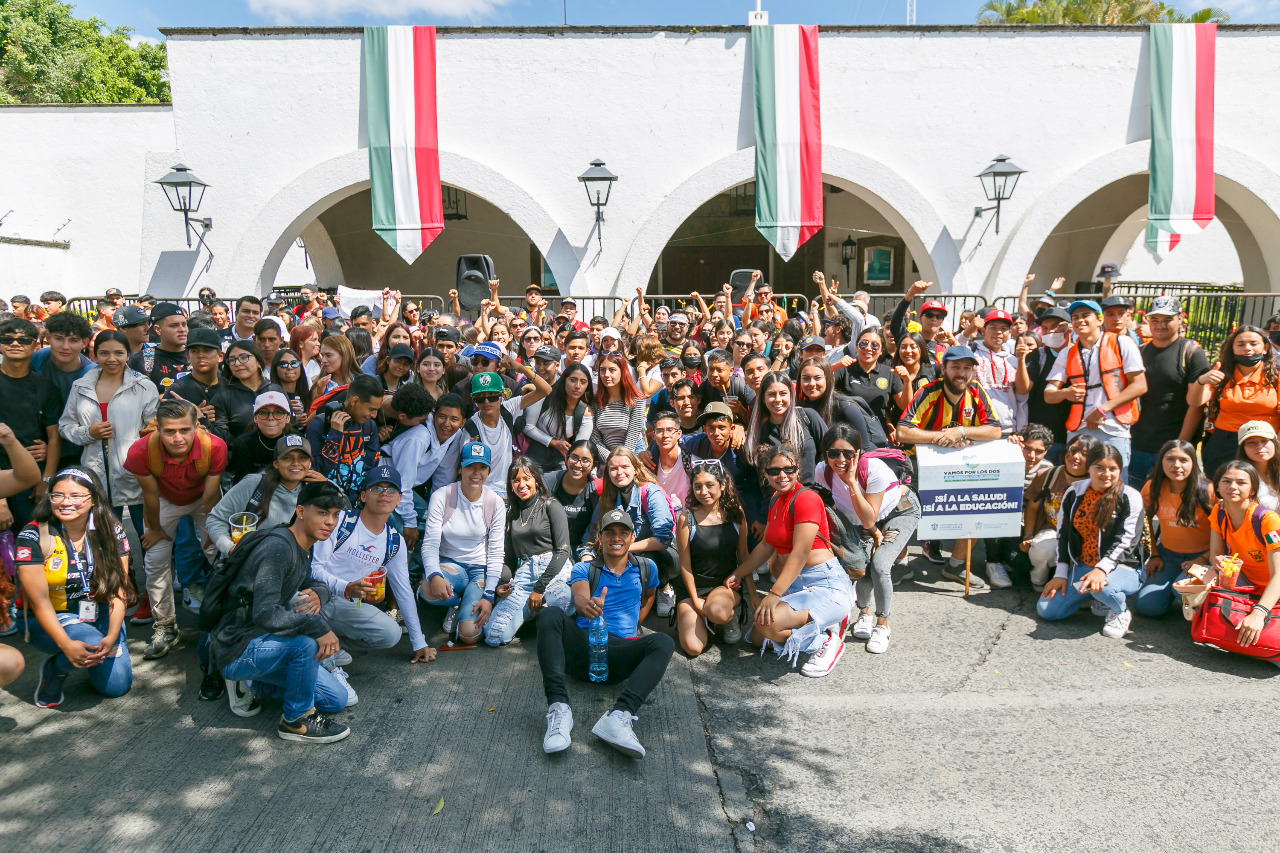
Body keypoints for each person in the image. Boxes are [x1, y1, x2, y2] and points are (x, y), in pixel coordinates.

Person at [211, 479, 353, 743]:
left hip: (264, 643)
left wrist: (321, 593)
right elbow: (265, 614)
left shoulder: (302, 544)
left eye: (335, 515)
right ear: (300, 511)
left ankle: (255, 682)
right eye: (322, 513)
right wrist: (317, 627)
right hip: (238, 646)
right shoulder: (278, 548)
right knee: (305, 645)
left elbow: (310, 581)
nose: (330, 522)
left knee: (336, 700)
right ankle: (295, 721)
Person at [537, 507, 673, 759]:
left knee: (663, 642)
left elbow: (650, 594)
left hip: (618, 653)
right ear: (600, 537)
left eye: (623, 532)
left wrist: (635, 625)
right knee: (550, 614)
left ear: (633, 537)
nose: (616, 538)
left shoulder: (647, 567)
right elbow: (579, 597)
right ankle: (559, 709)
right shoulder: (585, 569)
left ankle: (619, 716)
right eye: (610, 532)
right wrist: (587, 606)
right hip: (583, 649)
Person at [728, 444, 856, 677]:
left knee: (768, 626)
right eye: (774, 471)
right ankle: (818, 623)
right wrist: (738, 572)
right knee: (758, 638)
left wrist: (774, 595)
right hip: (795, 584)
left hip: (824, 584)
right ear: (765, 474)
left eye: (789, 469)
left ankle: (825, 640)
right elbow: (767, 545)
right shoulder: (776, 499)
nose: (782, 475)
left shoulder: (806, 498)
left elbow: (800, 552)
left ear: (798, 470)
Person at [16, 468, 134, 707]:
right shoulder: (33, 534)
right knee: (89, 646)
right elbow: (38, 601)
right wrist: (65, 644)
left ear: (93, 499)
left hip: (98, 610)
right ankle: (56, 669)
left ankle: (89, 652)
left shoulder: (111, 529)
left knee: (116, 687)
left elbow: (119, 588)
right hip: (51, 615)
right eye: (57, 495)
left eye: (76, 496)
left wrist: (112, 635)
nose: (66, 502)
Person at [124, 398, 227, 659]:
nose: (177, 437)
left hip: (204, 499)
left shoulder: (214, 447)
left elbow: (212, 497)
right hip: (164, 500)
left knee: (221, 553)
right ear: (158, 428)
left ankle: (228, 615)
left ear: (197, 427)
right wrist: (156, 529)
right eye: (169, 431)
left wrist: (212, 536)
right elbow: (149, 494)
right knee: (156, 560)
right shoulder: (140, 451)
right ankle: (166, 626)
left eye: (184, 430)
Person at [310, 466, 433, 679]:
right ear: (364, 495)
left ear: (399, 499)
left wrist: (418, 642)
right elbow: (314, 568)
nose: (384, 494)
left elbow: (403, 591)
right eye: (377, 488)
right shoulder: (340, 521)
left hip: (348, 606)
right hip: (317, 597)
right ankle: (318, 646)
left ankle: (329, 644)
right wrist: (346, 587)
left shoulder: (394, 541)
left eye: (391, 489)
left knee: (390, 634)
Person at [896, 345, 1002, 578]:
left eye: (966, 368)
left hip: (960, 465)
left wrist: (962, 432)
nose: (961, 373)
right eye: (955, 367)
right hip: (919, 463)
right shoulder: (928, 391)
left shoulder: (976, 392)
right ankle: (900, 564)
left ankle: (955, 566)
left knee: (976, 507)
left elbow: (995, 430)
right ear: (943, 369)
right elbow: (902, 432)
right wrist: (942, 437)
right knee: (901, 509)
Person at [817, 425, 920, 654]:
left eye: (848, 453)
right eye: (833, 453)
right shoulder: (822, 472)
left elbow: (868, 518)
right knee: (861, 564)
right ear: (825, 454)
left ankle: (882, 625)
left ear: (859, 452)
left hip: (898, 512)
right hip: (865, 520)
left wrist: (852, 483)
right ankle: (864, 613)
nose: (840, 460)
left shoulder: (874, 470)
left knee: (880, 565)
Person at [57, 330, 158, 540]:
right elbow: (65, 426)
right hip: (95, 474)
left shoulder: (143, 387)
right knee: (105, 539)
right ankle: (120, 574)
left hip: (135, 474)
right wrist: (88, 432)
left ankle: (146, 574)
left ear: (128, 355)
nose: (112, 359)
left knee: (147, 537)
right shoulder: (81, 386)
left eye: (119, 353)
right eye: (104, 353)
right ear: (95, 355)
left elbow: (154, 429)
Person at [1036, 444, 1143, 638]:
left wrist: (1101, 570)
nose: (1106, 474)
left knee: (1105, 588)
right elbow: (1064, 534)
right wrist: (1060, 573)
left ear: (1120, 470)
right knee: (1047, 610)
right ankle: (1094, 595)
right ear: (1089, 468)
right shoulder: (1075, 492)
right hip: (1084, 565)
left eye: (1113, 469)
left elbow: (1126, 540)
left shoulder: (1130, 496)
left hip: (1123, 566)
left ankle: (1119, 610)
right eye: (1099, 467)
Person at [1044, 299, 1147, 474]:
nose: (1079, 320)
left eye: (1086, 315)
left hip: (1113, 429)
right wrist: (1065, 393)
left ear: (1099, 320)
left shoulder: (1122, 343)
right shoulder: (1067, 353)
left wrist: (1102, 410)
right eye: (1075, 317)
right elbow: (1049, 395)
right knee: (1077, 483)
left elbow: (1140, 385)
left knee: (1113, 485)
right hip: (1079, 431)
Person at [419, 441, 505, 645]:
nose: (476, 473)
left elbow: (496, 551)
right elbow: (430, 544)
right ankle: (457, 602)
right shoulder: (443, 495)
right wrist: (434, 574)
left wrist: (490, 595)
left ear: (489, 470)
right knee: (427, 588)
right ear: (460, 468)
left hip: (479, 570)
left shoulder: (495, 501)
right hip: (451, 567)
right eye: (470, 466)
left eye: (482, 467)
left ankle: (469, 603)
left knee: (469, 635)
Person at [484, 458, 574, 646]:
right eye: (516, 480)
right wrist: (502, 584)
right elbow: (508, 558)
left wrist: (539, 588)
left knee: (565, 601)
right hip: (525, 574)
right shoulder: (511, 513)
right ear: (510, 484)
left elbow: (564, 550)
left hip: (554, 570)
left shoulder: (551, 505)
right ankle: (535, 610)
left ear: (536, 480)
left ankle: (543, 610)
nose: (522, 484)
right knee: (494, 636)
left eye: (527, 478)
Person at [1128, 296, 1211, 486]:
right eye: (1155, 320)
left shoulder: (1191, 352)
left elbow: (1196, 405)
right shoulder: (1139, 352)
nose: (1160, 325)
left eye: (1167, 319)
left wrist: (1180, 446)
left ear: (1179, 320)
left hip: (1172, 447)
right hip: (1137, 444)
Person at [673, 458, 750, 656]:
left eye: (710, 485)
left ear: (722, 485)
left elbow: (744, 557)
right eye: (697, 487)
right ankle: (703, 616)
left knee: (718, 612)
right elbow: (685, 566)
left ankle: (726, 616)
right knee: (693, 648)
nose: (703, 492)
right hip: (693, 589)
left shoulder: (736, 515)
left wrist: (755, 597)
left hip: (723, 587)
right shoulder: (686, 518)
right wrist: (695, 600)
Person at [1203, 460, 1280, 655]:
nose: (1233, 487)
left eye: (1241, 482)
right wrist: (1219, 562)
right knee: (1194, 591)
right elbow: (1214, 557)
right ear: (1217, 486)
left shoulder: (1267, 520)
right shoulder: (1219, 512)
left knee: (1272, 652)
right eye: (1226, 481)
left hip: (1272, 588)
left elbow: (1279, 575)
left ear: (1253, 489)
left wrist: (1259, 612)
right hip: (1246, 582)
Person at [591, 447, 677, 616]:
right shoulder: (608, 497)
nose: (619, 472)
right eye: (613, 468)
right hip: (626, 553)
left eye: (624, 467)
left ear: (635, 468)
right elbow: (593, 532)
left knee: (644, 559)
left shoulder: (651, 492)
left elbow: (663, 539)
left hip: (663, 555)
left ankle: (664, 588)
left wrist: (625, 548)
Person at [448, 359, 551, 500]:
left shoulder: (509, 408)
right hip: (482, 493)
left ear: (502, 396)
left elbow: (545, 390)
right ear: (473, 399)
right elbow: (470, 471)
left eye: (492, 396)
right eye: (480, 398)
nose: (486, 402)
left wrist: (520, 368)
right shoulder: (471, 429)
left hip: (508, 490)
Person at [0, 317, 64, 533]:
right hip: (2, 479)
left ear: (36, 345)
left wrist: (46, 480)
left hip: (31, 480)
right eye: (7, 339)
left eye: (24, 340)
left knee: (35, 547)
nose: (15, 344)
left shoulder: (44, 385)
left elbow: (54, 436)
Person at [1136, 439, 1211, 618]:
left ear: (1193, 463)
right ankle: (1172, 586)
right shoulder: (1153, 486)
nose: (1176, 465)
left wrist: (1204, 558)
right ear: (1161, 461)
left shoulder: (1208, 490)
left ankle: (1180, 590)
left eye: (1183, 460)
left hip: (1202, 557)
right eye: (1170, 459)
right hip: (1167, 555)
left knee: (1185, 593)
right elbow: (1142, 521)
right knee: (1147, 606)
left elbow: (1223, 532)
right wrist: (1153, 554)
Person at [383, 391, 467, 550]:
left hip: (406, 490)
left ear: (462, 422)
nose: (447, 424)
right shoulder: (420, 436)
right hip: (388, 484)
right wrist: (410, 522)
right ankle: (405, 571)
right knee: (405, 534)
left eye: (454, 419)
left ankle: (417, 570)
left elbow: (443, 479)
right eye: (442, 416)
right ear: (434, 415)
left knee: (433, 525)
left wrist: (440, 512)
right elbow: (402, 482)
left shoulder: (456, 438)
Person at [1199, 325, 1280, 478]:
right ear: (1232, 348)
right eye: (1241, 344)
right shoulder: (1220, 376)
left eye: (1253, 344)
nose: (1247, 348)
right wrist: (1201, 381)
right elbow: (1195, 402)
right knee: (1223, 492)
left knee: (1263, 495)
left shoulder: (1276, 377)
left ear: (1265, 347)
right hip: (1224, 443)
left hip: (1263, 444)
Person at [1022, 434, 1100, 590]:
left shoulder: (1097, 481)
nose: (1075, 456)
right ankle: (1039, 580)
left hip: (1085, 537)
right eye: (1073, 450)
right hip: (1052, 530)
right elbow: (1032, 507)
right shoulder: (1047, 475)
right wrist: (1028, 535)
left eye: (1084, 454)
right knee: (1041, 549)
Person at [306, 374, 384, 505]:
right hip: (325, 503)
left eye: (377, 410)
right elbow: (315, 471)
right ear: (354, 402)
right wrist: (335, 435)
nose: (374, 415)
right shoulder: (319, 425)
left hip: (358, 505)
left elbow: (370, 468)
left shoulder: (369, 426)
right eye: (371, 409)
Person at [744, 371, 827, 484]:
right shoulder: (760, 432)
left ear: (791, 395)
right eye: (771, 394)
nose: (778, 399)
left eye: (783, 393)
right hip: (781, 497)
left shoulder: (807, 417)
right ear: (763, 398)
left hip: (813, 492)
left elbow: (829, 450)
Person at [523, 362, 594, 474]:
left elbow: (579, 445)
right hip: (536, 450)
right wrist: (553, 442)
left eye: (583, 382)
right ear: (564, 380)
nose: (577, 386)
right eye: (573, 380)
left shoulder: (585, 411)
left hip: (561, 456)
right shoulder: (545, 396)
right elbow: (528, 427)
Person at [1021, 307, 1072, 462]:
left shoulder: (1081, 354)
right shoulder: (1038, 355)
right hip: (1041, 439)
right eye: (1045, 328)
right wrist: (1020, 359)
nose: (1051, 331)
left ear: (1068, 327)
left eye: (1057, 326)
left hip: (1071, 436)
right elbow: (1024, 389)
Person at [796, 356, 878, 450]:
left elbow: (864, 448)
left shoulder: (845, 406)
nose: (811, 383)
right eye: (806, 378)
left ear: (827, 379)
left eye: (817, 378)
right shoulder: (801, 408)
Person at [212, 340, 280, 443]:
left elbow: (289, 427)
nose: (237, 363)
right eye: (231, 360)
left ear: (258, 361)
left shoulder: (275, 390)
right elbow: (220, 437)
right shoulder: (223, 396)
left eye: (243, 357)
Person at [544, 441, 601, 558]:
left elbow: (594, 529)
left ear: (593, 465)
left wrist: (586, 554)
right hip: (549, 548)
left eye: (585, 460)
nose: (578, 465)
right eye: (574, 458)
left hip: (581, 548)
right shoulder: (547, 482)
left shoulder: (597, 490)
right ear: (567, 457)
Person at [229, 391, 298, 480]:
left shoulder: (297, 439)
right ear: (255, 418)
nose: (270, 418)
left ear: (288, 418)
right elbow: (241, 483)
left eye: (278, 412)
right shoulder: (243, 443)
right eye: (264, 413)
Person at [592, 352, 648, 461]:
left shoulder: (636, 400)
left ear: (622, 372)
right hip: (605, 456)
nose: (606, 374)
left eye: (612, 370)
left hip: (633, 454)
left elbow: (632, 437)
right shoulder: (594, 400)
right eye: (602, 370)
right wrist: (610, 459)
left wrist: (620, 461)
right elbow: (594, 437)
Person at [169, 327, 224, 431]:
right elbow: (163, 427)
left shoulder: (229, 385)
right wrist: (193, 416)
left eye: (207, 350)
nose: (201, 355)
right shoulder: (178, 390)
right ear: (188, 357)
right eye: (195, 351)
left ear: (220, 356)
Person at [129, 303, 188, 392]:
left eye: (184, 324)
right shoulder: (143, 360)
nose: (182, 329)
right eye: (174, 325)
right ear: (158, 329)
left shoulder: (197, 354)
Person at [1236, 419, 1280, 510]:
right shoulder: (1237, 477)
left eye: (1264, 440)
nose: (1259, 446)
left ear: (1275, 443)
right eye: (1251, 442)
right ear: (1243, 448)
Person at [270, 348, 313, 427]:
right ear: (275, 368)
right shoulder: (270, 396)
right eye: (283, 364)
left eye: (294, 363)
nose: (290, 367)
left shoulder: (307, 395)